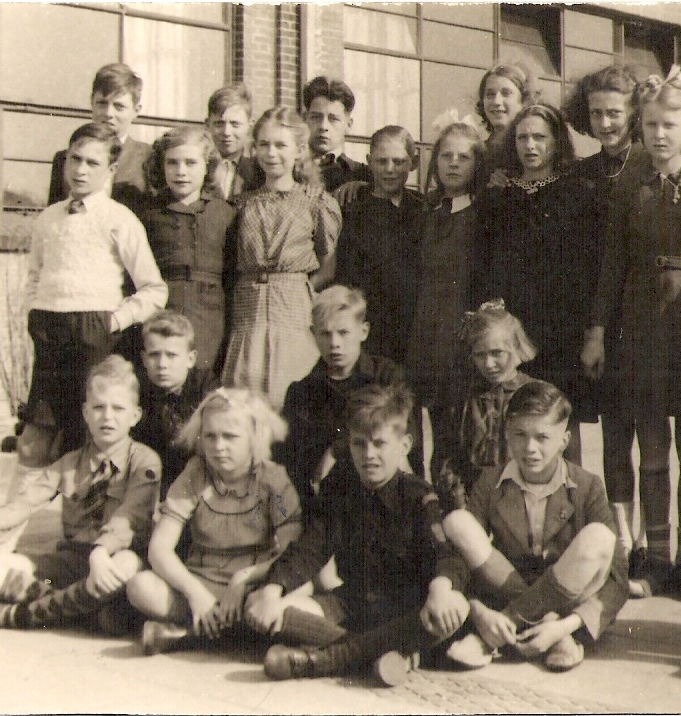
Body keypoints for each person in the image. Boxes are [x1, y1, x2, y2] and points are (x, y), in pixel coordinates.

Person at [565, 64, 681, 597]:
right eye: (653, 125)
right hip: (641, 328)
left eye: (670, 126)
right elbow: (612, 263)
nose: (660, 135)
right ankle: (655, 557)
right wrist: (596, 330)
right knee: (652, 451)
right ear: (643, 128)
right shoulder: (629, 190)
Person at [246, 384, 470, 687]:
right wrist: (272, 589)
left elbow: (445, 556)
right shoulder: (339, 486)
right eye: (359, 444)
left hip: (404, 613)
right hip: (351, 604)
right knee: (269, 608)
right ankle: (379, 656)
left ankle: (324, 660)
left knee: (455, 606)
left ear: (404, 445)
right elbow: (310, 548)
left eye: (379, 444)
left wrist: (441, 590)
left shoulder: (418, 495)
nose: (369, 455)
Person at [0, 356, 160, 633]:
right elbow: (21, 505)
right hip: (69, 567)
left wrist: (100, 551)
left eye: (118, 408)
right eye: (98, 407)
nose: (107, 416)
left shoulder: (145, 461)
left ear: (135, 416)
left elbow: (129, 517)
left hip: (115, 558)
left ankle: (9, 616)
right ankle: (80, 609)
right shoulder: (69, 463)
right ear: (85, 413)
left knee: (126, 565)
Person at [441, 380, 628, 673]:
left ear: (564, 440)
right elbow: (459, 559)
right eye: (520, 435)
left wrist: (566, 625)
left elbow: (618, 579)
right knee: (457, 522)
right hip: (509, 582)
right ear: (507, 435)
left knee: (599, 536)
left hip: (569, 593)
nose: (530, 448)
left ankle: (495, 637)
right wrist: (478, 611)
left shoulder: (588, 485)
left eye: (542, 437)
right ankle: (548, 631)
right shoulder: (490, 482)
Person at [19, 122, 167, 468]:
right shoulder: (48, 217)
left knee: (91, 438)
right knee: (33, 441)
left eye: (92, 163)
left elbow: (154, 289)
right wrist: (33, 310)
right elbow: (34, 276)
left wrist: (113, 320)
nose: (80, 170)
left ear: (111, 170)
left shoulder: (120, 219)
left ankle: (90, 520)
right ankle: (6, 524)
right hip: (50, 332)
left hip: (94, 334)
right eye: (75, 159)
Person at [126, 387, 302, 655]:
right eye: (210, 436)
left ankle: (189, 636)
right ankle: (232, 634)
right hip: (201, 584)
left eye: (230, 436)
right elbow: (159, 549)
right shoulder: (195, 474)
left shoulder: (272, 480)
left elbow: (291, 552)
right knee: (140, 587)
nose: (219, 447)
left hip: (251, 587)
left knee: (295, 604)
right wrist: (196, 594)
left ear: (254, 437)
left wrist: (243, 580)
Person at [476, 103, 604, 462]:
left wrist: (593, 331)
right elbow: (484, 264)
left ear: (556, 142)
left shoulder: (579, 192)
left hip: (563, 329)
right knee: (515, 425)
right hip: (515, 329)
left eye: (539, 137)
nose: (530, 145)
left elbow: (592, 267)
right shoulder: (498, 196)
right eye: (522, 137)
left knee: (562, 429)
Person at [221, 107, 342, 410]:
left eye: (280, 145)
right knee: (245, 403)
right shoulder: (242, 204)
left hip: (294, 310)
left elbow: (329, 263)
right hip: (248, 311)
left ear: (299, 150)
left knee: (290, 399)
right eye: (263, 144)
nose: (271, 153)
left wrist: (297, 288)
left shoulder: (316, 202)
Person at [276, 285, 421, 511]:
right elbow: (294, 462)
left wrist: (336, 449)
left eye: (343, 333)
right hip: (328, 503)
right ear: (313, 334)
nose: (334, 343)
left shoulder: (386, 377)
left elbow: (404, 438)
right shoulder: (302, 392)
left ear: (363, 331)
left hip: (385, 496)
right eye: (325, 333)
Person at [140, 127, 237, 373]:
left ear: (207, 166)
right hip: (163, 307)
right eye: (172, 162)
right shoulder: (149, 214)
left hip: (210, 313)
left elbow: (233, 275)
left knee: (203, 376)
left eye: (190, 163)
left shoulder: (224, 213)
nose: (181, 171)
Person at [403, 121, 485, 409]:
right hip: (426, 330)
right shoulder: (425, 212)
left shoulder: (483, 215)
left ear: (477, 164)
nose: (453, 164)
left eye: (463, 157)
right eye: (446, 156)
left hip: (462, 333)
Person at [431, 299, 536, 511]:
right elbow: (447, 457)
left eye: (497, 353)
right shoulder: (463, 399)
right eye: (480, 355)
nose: (488, 364)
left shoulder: (535, 394)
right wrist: (460, 504)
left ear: (517, 347)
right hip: (473, 502)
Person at [334, 125, 422, 363]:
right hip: (368, 325)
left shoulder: (423, 208)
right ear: (369, 162)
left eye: (398, 162)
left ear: (412, 164)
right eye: (382, 162)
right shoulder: (351, 208)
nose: (390, 170)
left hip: (411, 327)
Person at [133, 310, 220, 503]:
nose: (162, 364)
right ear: (144, 359)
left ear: (190, 359)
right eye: (154, 355)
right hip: (152, 481)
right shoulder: (137, 392)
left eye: (171, 355)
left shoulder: (206, 387)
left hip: (199, 481)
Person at [48, 63, 151, 215]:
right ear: (92, 103)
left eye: (119, 106)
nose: (108, 113)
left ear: (136, 111)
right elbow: (54, 215)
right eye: (102, 103)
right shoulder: (65, 158)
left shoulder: (149, 158)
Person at [301, 75, 371, 192]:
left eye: (333, 119)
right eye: (316, 117)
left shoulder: (362, 175)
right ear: (304, 119)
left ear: (348, 124)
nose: (323, 126)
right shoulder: (283, 168)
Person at [205, 83, 261, 201]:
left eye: (235, 124)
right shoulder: (198, 165)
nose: (226, 132)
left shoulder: (259, 169)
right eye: (219, 123)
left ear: (250, 126)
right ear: (208, 124)